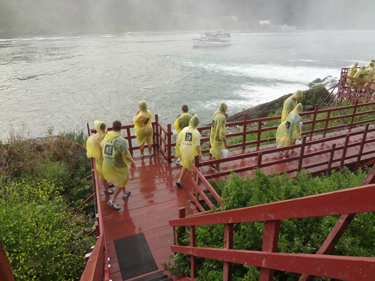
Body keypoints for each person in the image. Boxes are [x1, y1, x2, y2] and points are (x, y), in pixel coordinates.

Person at [101, 120, 136, 211]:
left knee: (121, 178)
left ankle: (125, 192)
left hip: (107, 164)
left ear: (112, 128)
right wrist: (132, 162)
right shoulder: (122, 141)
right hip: (116, 164)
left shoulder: (106, 138)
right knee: (123, 178)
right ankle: (112, 200)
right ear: (121, 128)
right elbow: (126, 155)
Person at [86, 120, 114, 194]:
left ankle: (109, 183)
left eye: (104, 128)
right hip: (101, 157)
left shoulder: (104, 135)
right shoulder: (95, 138)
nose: (103, 130)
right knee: (103, 173)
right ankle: (106, 188)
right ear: (98, 129)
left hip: (106, 156)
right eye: (102, 129)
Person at [175, 115, 202, 188]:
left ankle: (179, 180)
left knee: (185, 165)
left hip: (184, 151)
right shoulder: (196, 133)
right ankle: (197, 178)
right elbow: (197, 146)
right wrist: (200, 154)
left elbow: (179, 139)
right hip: (192, 152)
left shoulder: (184, 129)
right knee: (196, 165)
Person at [209, 102, 228, 173]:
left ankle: (211, 163)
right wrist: (225, 142)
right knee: (219, 155)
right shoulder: (222, 117)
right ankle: (217, 169)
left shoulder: (215, 113)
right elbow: (222, 132)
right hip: (217, 139)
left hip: (212, 135)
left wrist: (224, 117)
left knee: (215, 151)